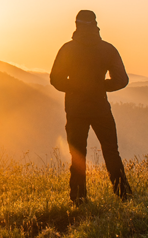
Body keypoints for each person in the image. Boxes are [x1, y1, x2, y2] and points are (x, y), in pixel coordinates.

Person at [50, 10, 131, 203]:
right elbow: (122, 80)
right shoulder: (107, 49)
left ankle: (79, 198)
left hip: (75, 109)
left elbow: (55, 79)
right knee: (111, 151)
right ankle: (124, 195)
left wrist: (75, 87)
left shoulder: (68, 49)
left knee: (78, 154)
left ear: (77, 25)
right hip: (100, 107)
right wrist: (100, 86)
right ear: (95, 24)